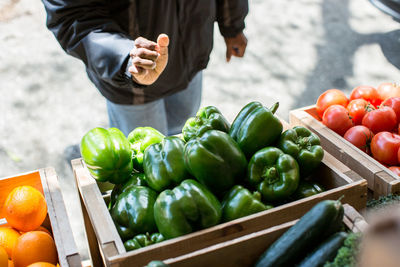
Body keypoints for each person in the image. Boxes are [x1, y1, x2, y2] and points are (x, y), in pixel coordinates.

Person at [41, 0, 249, 138]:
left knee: (185, 134)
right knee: (146, 162)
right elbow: (72, 15)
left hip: (191, 56)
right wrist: (126, 59)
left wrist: (233, 23)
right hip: (131, 82)